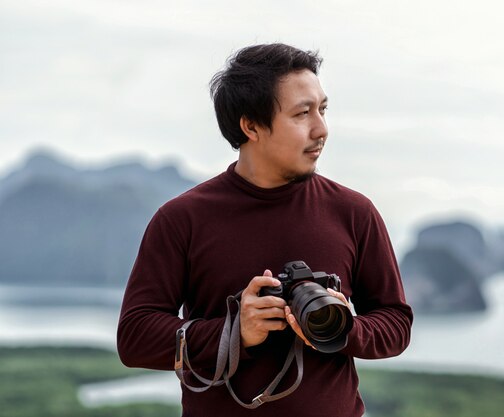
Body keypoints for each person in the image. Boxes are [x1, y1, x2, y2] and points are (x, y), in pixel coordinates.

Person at [117, 43, 413, 417]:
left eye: (322, 110)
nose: (321, 129)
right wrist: (234, 332)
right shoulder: (182, 219)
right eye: (302, 114)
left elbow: (396, 323)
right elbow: (135, 338)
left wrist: (344, 328)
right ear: (251, 126)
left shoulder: (354, 212)